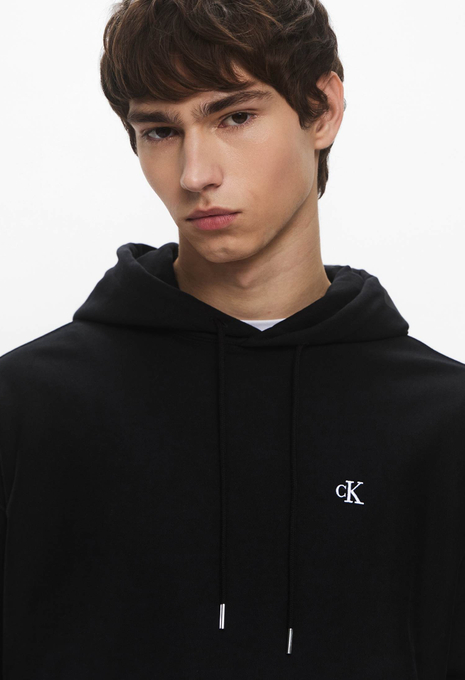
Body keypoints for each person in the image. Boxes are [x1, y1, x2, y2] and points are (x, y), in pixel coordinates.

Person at [0, 0, 463, 677]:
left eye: (234, 117)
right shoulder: (25, 405)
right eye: (161, 130)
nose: (195, 174)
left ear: (322, 110)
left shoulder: (444, 422)